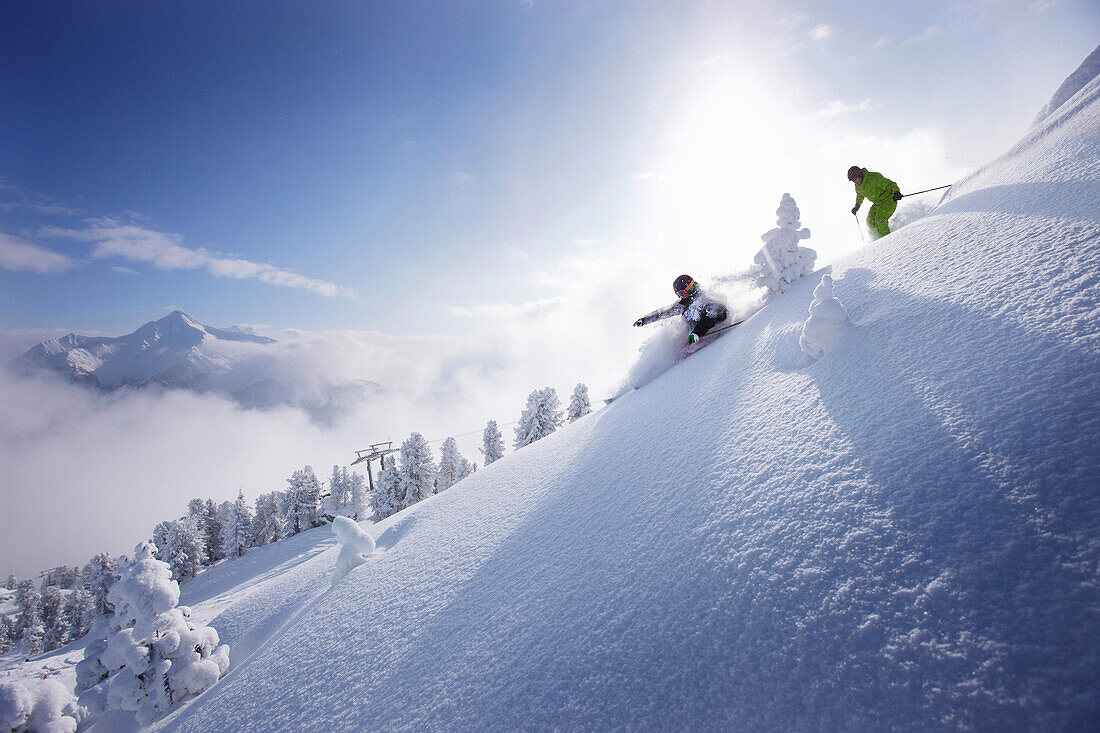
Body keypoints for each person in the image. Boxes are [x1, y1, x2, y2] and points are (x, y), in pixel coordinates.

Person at [633, 274, 728, 344]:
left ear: (690, 288)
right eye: (678, 294)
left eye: (682, 293)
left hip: (710, 330)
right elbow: (664, 313)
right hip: (695, 335)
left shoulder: (704, 298)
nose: (681, 297)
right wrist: (645, 320)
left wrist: (697, 333)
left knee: (713, 313)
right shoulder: (684, 303)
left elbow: (710, 317)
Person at [848, 165, 903, 239]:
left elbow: (890, 184)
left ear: (860, 174)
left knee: (880, 220)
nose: (854, 182)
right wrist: (857, 206)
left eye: (854, 179)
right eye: (852, 180)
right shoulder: (858, 186)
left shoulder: (873, 178)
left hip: (889, 199)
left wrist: (896, 192)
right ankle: (877, 242)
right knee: (870, 221)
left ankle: (888, 242)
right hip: (877, 203)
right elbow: (860, 196)